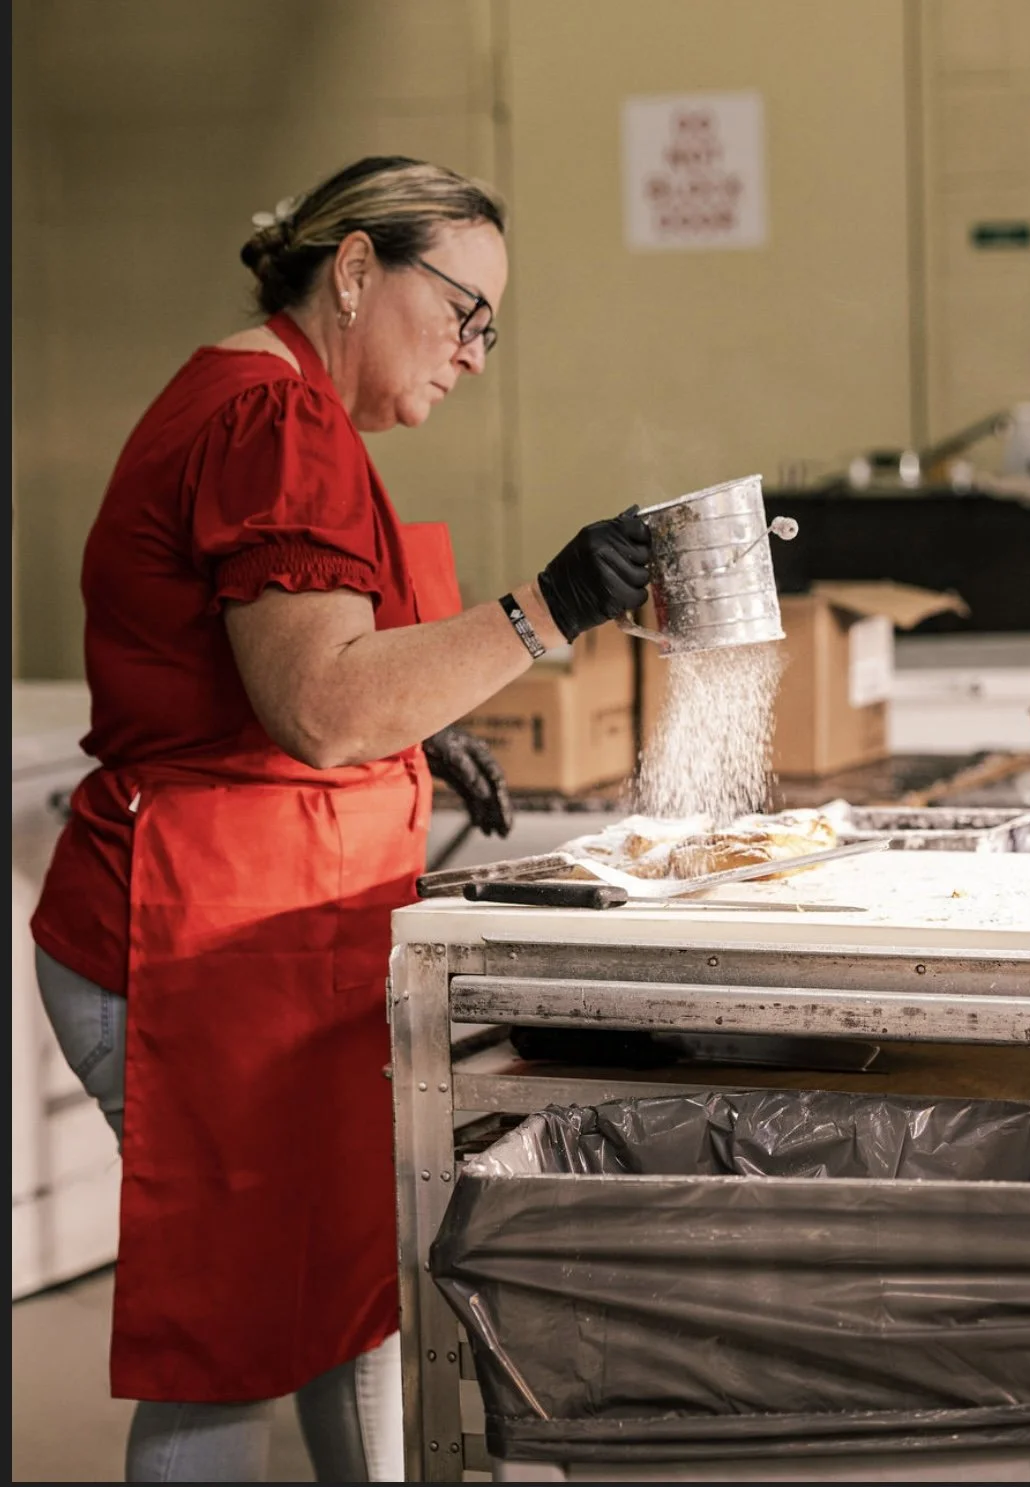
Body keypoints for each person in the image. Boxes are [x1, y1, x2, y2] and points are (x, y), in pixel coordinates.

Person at [30, 154, 651, 1483]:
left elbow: (283, 668)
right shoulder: (272, 424)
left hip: (259, 942)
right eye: (465, 313)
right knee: (241, 1333)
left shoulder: (277, 407)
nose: (476, 356)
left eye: (493, 328)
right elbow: (316, 704)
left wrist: (423, 717)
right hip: (196, 946)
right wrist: (544, 610)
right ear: (357, 270)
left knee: (338, 1299)